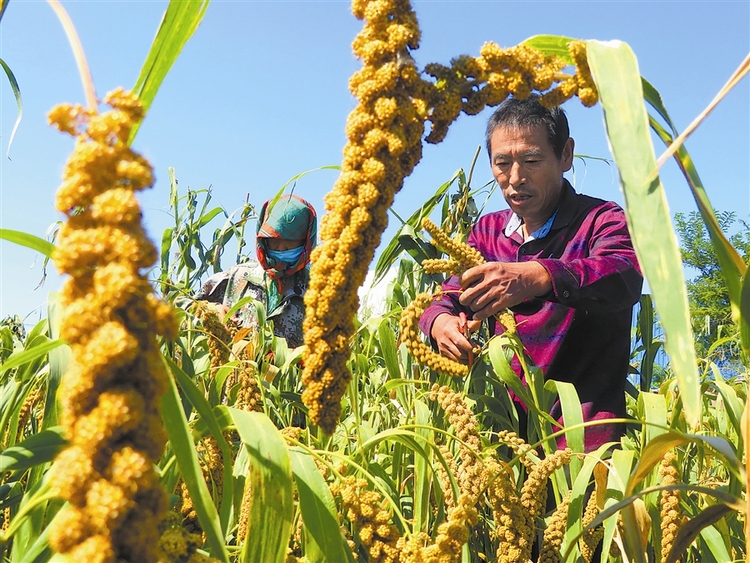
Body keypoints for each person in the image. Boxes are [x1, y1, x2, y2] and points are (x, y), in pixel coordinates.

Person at [419, 95, 643, 452]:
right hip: (504, 439)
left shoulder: (602, 221)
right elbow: (448, 297)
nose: (515, 178)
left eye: (532, 160)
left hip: (583, 443)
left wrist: (536, 276)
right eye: (502, 163)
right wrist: (440, 322)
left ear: (565, 155)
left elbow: (623, 274)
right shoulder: (487, 233)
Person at [195, 194, 317, 348]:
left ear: (306, 242)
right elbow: (183, 306)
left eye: (290, 243)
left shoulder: (318, 292)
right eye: (274, 241)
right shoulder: (238, 278)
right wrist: (212, 310)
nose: (280, 249)